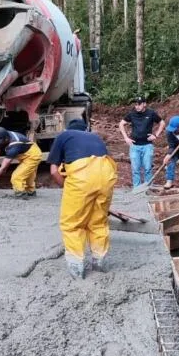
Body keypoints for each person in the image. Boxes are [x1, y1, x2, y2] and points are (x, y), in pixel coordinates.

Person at [48, 119, 117, 279]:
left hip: (82, 176)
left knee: (72, 224)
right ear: (86, 129)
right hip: (107, 173)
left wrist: (68, 189)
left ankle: (76, 267)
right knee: (98, 222)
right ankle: (100, 262)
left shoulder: (64, 136)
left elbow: (53, 171)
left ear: (67, 128)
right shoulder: (95, 137)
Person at [119, 94, 165, 188]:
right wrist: (126, 138)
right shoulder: (132, 114)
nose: (137, 106)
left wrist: (155, 135)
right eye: (136, 104)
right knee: (135, 169)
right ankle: (137, 189)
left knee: (148, 168)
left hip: (147, 145)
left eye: (139, 104)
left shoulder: (151, 113)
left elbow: (162, 123)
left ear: (144, 104)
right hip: (134, 146)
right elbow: (121, 124)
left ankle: (148, 188)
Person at [0, 126, 43, 197]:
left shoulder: (14, 145)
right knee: (28, 176)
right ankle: (31, 192)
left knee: (17, 177)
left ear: (6, 139)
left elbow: (3, 168)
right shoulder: (2, 136)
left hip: (33, 156)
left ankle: (20, 194)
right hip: (25, 154)